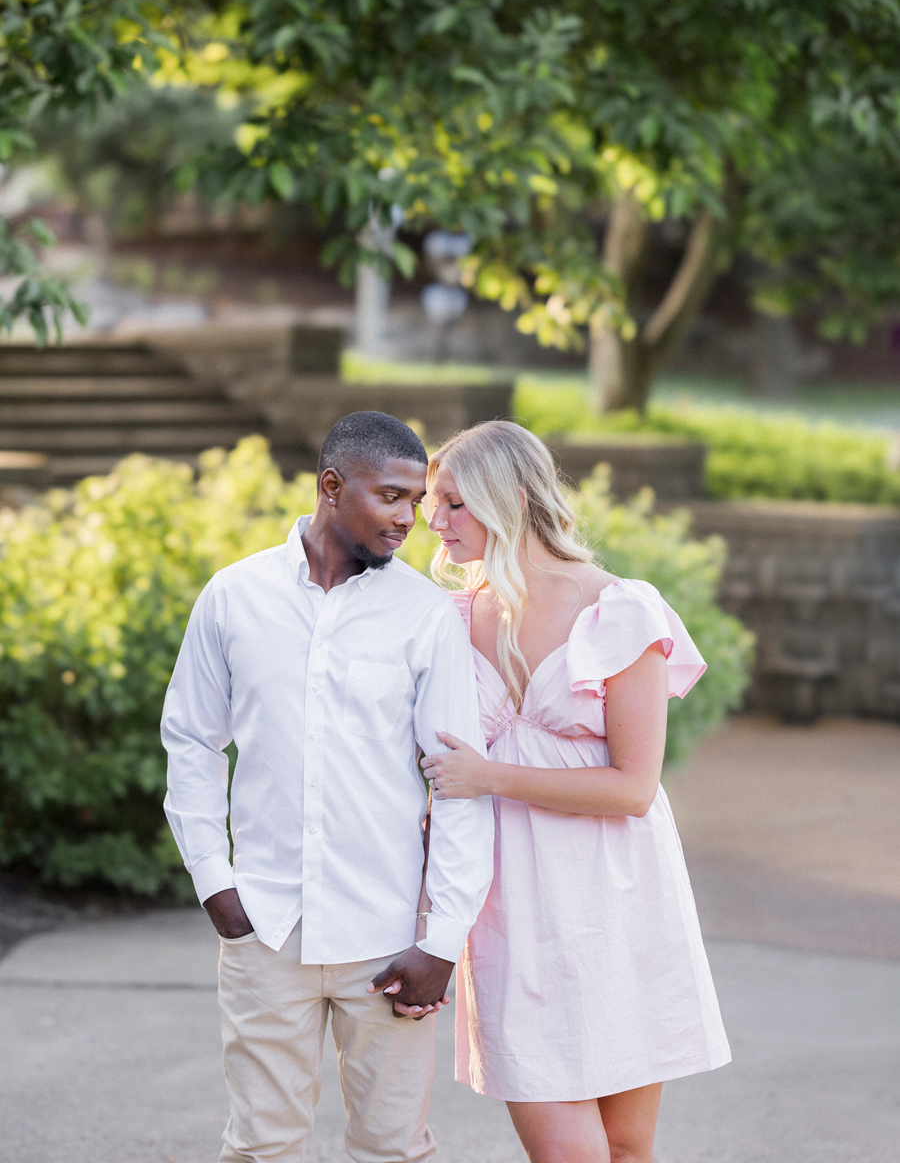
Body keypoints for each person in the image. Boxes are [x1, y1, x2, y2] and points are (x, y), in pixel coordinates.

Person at [161, 410, 493, 1163]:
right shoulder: (233, 596)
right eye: (391, 497)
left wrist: (441, 940)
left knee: (391, 1149)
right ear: (331, 485)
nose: (410, 519)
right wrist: (217, 884)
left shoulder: (424, 617)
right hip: (265, 927)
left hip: (387, 940)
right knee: (259, 1146)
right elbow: (190, 741)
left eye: (418, 500)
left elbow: (459, 783)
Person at [415, 420, 731, 1163]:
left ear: (512, 501)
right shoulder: (452, 619)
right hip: (512, 908)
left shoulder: (621, 611)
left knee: (626, 1147)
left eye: (454, 503)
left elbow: (633, 787)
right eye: (435, 504)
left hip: (618, 897)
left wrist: (489, 777)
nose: (434, 522)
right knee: (569, 1155)